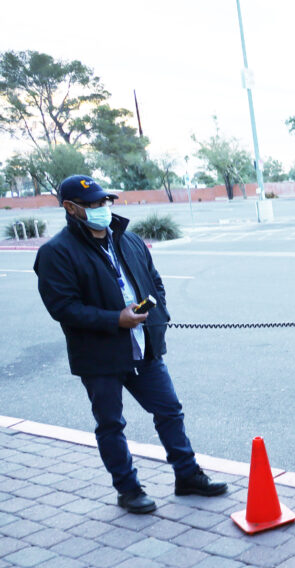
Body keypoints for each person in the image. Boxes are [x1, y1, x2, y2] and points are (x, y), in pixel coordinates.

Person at [34, 175, 227, 514]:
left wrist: (158, 316)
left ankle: (187, 475)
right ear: (70, 208)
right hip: (99, 357)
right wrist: (115, 320)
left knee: (169, 410)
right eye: (93, 204)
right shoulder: (56, 253)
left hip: (144, 347)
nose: (102, 209)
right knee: (111, 424)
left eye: (104, 202)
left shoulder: (130, 240)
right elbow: (63, 308)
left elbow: (154, 282)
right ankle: (128, 489)